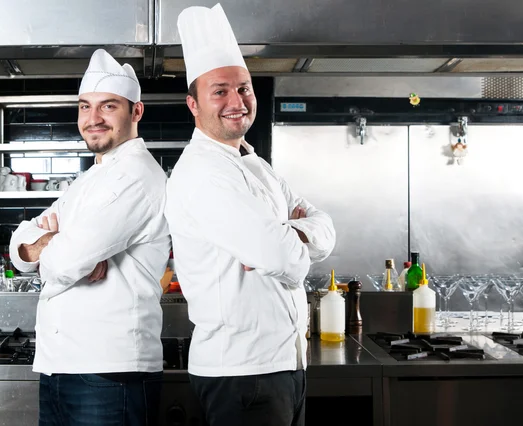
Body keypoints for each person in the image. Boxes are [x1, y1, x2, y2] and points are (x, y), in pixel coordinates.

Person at [164, 4, 336, 426]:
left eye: (243, 89)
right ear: (193, 104)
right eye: (219, 91)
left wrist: (285, 232)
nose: (236, 101)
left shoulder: (253, 162)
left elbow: (325, 229)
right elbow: (285, 260)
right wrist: (287, 237)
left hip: (283, 365)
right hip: (242, 374)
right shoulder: (204, 172)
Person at [9, 49, 171, 426]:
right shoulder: (90, 178)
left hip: (110, 372)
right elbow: (21, 246)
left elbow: (64, 262)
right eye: (85, 106)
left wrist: (58, 250)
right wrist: (47, 245)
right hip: (60, 366)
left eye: (108, 106)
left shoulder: (135, 176)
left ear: (136, 112)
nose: (93, 119)